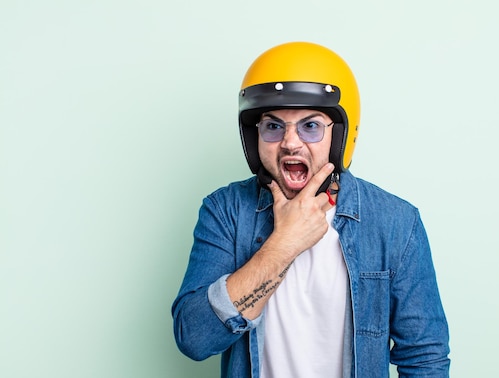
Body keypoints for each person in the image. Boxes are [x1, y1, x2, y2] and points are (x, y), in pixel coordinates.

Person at [172, 41, 450, 378]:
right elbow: (194, 339)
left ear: (340, 136)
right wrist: (284, 244)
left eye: (310, 126)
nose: (290, 142)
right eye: (273, 126)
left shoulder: (396, 223)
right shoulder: (225, 211)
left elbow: (424, 358)